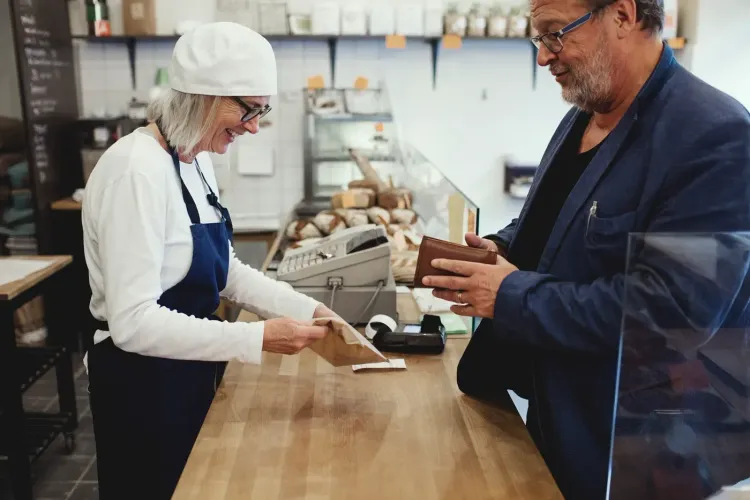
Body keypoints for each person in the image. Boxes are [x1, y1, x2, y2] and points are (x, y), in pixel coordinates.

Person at [421, 0, 750, 498]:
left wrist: (509, 295)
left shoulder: (714, 134)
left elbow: (669, 313)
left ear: (622, 14)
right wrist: (496, 248)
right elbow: (558, 221)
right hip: (560, 407)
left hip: (636, 441)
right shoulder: (589, 112)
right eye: (540, 38)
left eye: (556, 34)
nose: (544, 57)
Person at [81, 23, 338, 499]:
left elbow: (226, 271)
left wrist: (307, 310)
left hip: (187, 366)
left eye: (263, 110)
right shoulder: (135, 172)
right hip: (141, 386)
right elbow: (133, 322)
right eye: (250, 109)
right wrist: (257, 337)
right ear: (201, 98)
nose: (256, 125)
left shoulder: (194, 158)